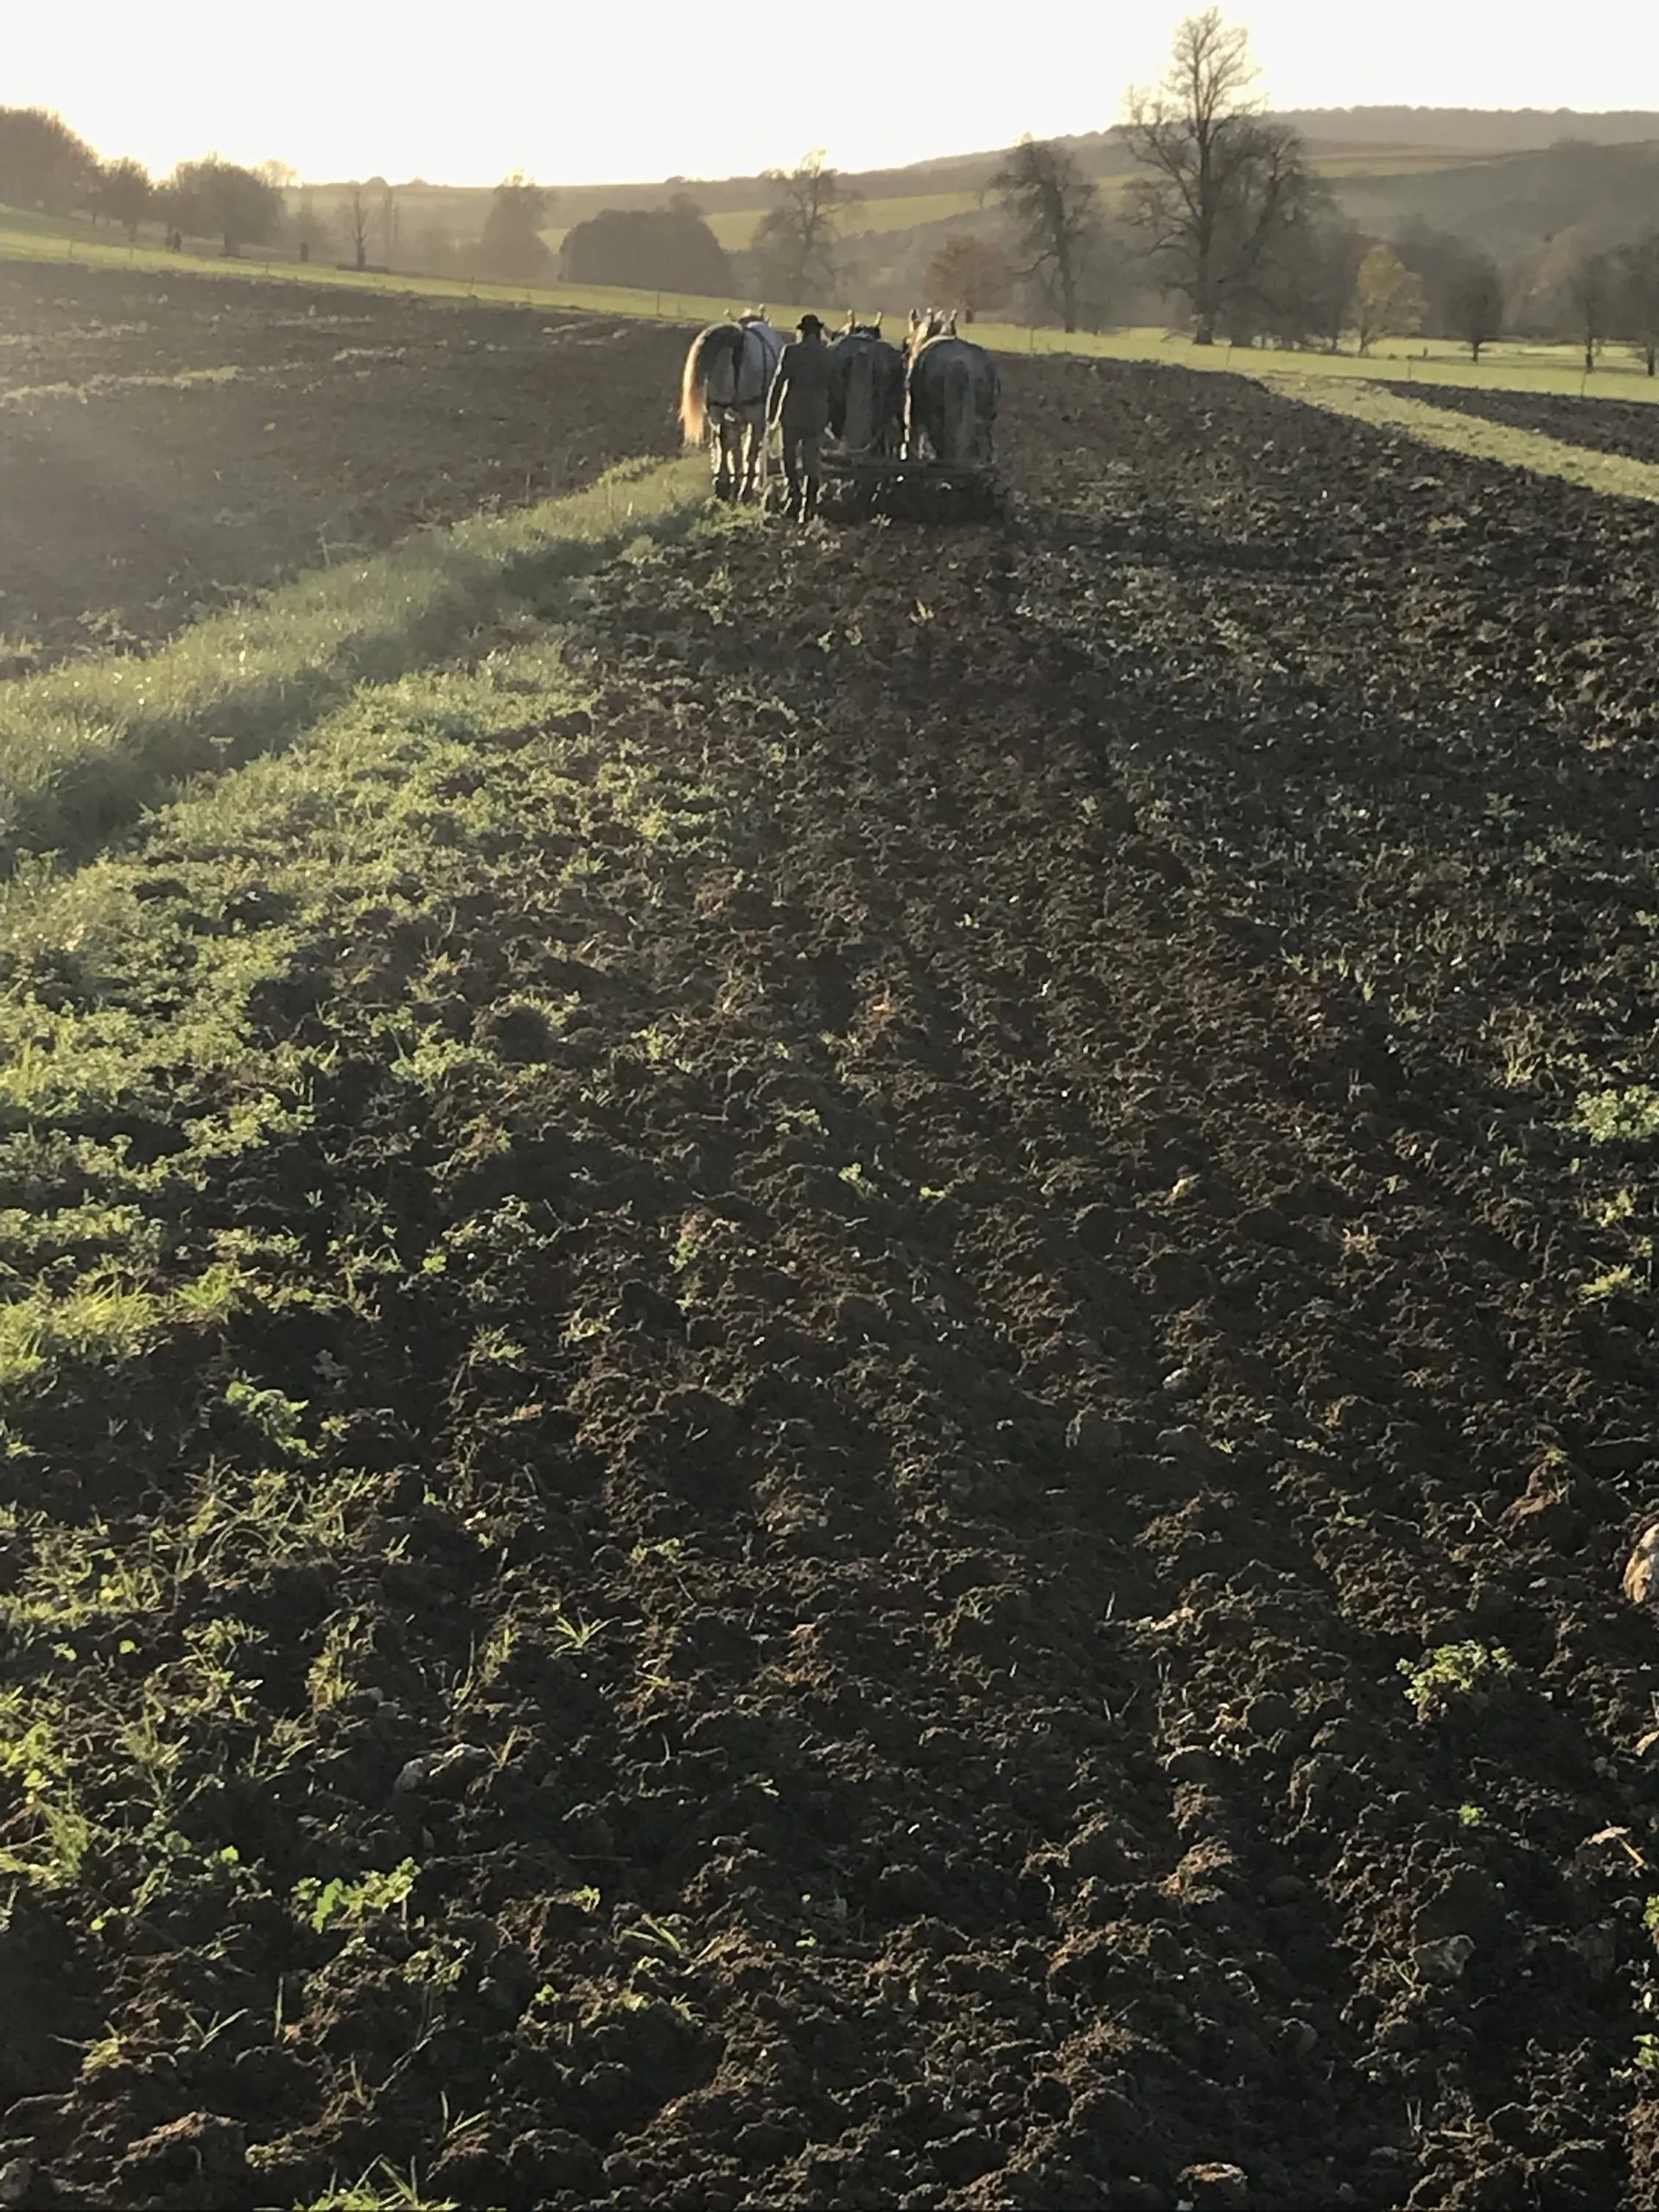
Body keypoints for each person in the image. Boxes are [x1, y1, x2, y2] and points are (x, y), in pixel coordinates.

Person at [766, 313, 833, 522]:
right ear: (818, 332)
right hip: (816, 414)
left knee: (788, 455)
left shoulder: (791, 352)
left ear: (801, 332)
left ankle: (793, 491)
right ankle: (808, 503)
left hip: (792, 412)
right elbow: (835, 386)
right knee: (810, 459)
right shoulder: (827, 354)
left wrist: (771, 414)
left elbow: (778, 383)